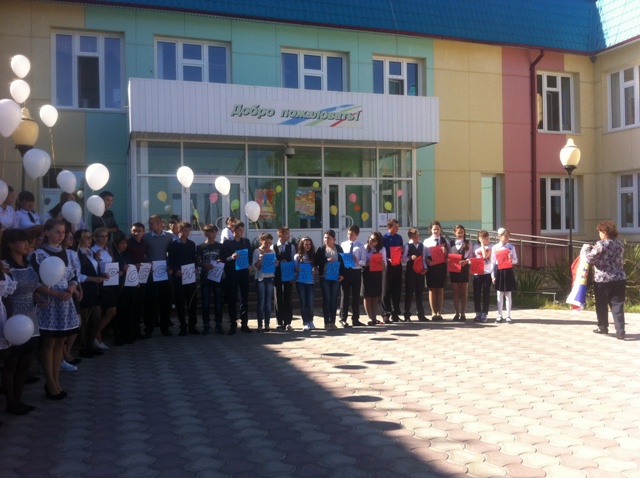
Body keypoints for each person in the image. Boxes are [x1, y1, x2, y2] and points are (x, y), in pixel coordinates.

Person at [30, 219, 80, 400]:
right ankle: (50, 382)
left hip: (64, 303)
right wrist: (55, 294)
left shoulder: (67, 253)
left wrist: (71, 289)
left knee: (60, 342)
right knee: (49, 342)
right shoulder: (38, 254)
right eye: (57, 232)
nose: (61, 235)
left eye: (63, 232)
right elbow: (35, 281)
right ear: (47, 232)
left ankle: (56, 380)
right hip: (49, 303)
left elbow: (72, 276)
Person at [1, 228, 47, 415]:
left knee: (26, 361)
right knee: (11, 363)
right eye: (23, 241)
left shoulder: (28, 263)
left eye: (28, 241)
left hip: (30, 317)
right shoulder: (5, 266)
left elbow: (32, 286)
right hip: (13, 318)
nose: (28, 244)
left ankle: (19, 399)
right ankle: (11, 402)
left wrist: (37, 296)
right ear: (11, 244)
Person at [582, 220, 626, 340]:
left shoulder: (601, 244)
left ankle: (602, 327)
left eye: (600, 232)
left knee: (601, 304)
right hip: (619, 278)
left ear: (605, 232)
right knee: (617, 304)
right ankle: (620, 331)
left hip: (603, 279)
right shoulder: (619, 244)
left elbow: (590, 259)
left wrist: (587, 249)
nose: (599, 234)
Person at [74, 229, 104, 357]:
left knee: (96, 317)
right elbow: (77, 275)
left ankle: (91, 344)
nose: (89, 240)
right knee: (85, 318)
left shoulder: (91, 252)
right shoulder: (76, 254)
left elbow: (95, 268)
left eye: (90, 237)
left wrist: (102, 275)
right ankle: (83, 347)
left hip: (95, 288)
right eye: (86, 237)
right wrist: (92, 279)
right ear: (78, 239)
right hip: (85, 288)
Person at [143, 214, 174, 337]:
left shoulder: (168, 237)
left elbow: (172, 253)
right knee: (149, 302)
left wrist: (170, 266)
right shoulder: (146, 237)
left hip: (164, 273)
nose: (149, 226)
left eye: (151, 223)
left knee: (165, 301)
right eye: (149, 223)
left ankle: (165, 327)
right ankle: (148, 328)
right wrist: (146, 264)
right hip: (150, 274)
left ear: (159, 223)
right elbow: (143, 253)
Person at [168, 221, 199, 335]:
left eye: (189, 230)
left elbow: (193, 258)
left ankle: (192, 326)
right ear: (179, 231)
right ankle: (183, 326)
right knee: (180, 303)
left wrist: (195, 267)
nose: (187, 232)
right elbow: (171, 261)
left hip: (190, 277)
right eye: (185, 230)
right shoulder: (173, 245)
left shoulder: (191, 244)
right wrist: (175, 270)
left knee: (192, 302)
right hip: (179, 278)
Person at [222, 221, 252, 334]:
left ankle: (244, 324)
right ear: (233, 230)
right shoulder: (228, 243)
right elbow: (223, 258)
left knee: (244, 298)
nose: (241, 232)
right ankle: (233, 325)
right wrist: (231, 257)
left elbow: (249, 255)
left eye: (243, 230)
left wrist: (249, 265)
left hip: (243, 273)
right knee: (232, 298)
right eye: (239, 230)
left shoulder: (246, 242)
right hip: (232, 273)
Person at [92, 226, 119, 348]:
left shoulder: (108, 249)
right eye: (101, 236)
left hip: (111, 282)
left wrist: (117, 271)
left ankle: (95, 335)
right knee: (103, 312)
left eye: (106, 236)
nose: (104, 239)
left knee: (111, 311)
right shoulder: (93, 250)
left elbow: (112, 264)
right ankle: (96, 337)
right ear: (95, 238)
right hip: (100, 283)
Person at [196, 224, 224, 335]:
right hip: (205, 276)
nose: (213, 234)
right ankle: (206, 324)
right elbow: (197, 261)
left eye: (214, 232)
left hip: (217, 275)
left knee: (218, 301)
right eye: (210, 232)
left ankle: (219, 324)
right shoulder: (201, 247)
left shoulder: (220, 246)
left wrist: (220, 261)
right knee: (205, 301)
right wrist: (204, 265)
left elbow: (224, 259)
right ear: (205, 233)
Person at [315, 229, 345, 331]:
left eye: (328, 238)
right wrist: (326, 260)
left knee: (333, 299)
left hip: (335, 277)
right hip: (324, 278)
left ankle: (333, 322)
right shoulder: (321, 249)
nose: (326, 240)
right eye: (325, 238)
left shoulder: (338, 248)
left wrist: (342, 275)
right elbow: (316, 261)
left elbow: (343, 262)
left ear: (334, 239)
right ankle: (326, 323)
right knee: (327, 299)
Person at [424, 220, 450, 321]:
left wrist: (445, 251)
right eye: (434, 229)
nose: (436, 231)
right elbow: (424, 256)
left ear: (440, 230)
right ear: (431, 230)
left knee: (440, 289)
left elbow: (448, 256)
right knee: (432, 289)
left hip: (441, 267)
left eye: (438, 229)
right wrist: (428, 262)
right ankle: (433, 312)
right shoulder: (427, 241)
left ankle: (439, 312)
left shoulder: (444, 241)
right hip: (431, 267)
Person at [340, 225, 365, 327]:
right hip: (346, 271)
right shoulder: (343, 244)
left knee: (356, 296)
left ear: (357, 235)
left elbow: (364, 261)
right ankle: (343, 318)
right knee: (344, 295)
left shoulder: (360, 246)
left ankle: (355, 319)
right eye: (348, 234)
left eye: (352, 234)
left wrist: (357, 261)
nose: (349, 236)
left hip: (356, 271)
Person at [491, 228, 518, 323]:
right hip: (499, 271)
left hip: (508, 271)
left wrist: (511, 259)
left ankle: (508, 316)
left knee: (508, 294)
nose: (507, 237)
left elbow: (516, 260)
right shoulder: (495, 247)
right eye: (504, 236)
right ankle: (499, 315)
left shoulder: (511, 247)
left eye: (508, 236)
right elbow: (493, 262)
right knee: (499, 294)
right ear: (499, 237)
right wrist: (493, 275)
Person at [402, 228, 428, 322]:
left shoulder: (422, 246)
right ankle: (407, 314)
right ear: (410, 237)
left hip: (420, 272)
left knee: (419, 293)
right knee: (409, 293)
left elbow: (423, 258)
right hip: (410, 272)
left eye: (417, 236)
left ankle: (421, 314)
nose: (417, 238)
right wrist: (409, 257)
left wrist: (425, 268)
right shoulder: (407, 246)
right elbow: (403, 259)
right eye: (415, 236)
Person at [127, 223, 147, 339]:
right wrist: (133, 265)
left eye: (139, 231)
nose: (136, 233)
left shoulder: (144, 243)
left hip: (142, 276)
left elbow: (143, 257)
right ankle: (129, 331)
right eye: (134, 230)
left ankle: (137, 330)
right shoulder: (128, 243)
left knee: (139, 305)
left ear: (143, 232)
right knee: (131, 305)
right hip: (130, 277)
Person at [361, 231, 386, 326]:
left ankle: (374, 317)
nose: (371, 241)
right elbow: (361, 261)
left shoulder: (382, 249)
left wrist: (382, 263)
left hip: (376, 273)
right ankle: (369, 317)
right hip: (367, 272)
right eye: (370, 239)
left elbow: (384, 263)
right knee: (367, 295)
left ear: (378, 242)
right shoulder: (364, 247)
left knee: (375, 296)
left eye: (374, 240)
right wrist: (367, 263)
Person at [253, 232, 276, 332]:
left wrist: (276, 264)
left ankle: (267, 324)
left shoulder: (272, 252)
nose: (268, 245)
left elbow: (273, 265)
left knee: (268, 302)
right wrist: (260, 259)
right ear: (261, 241)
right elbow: (254, 267)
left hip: (270, 277)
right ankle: (259, 325)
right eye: (266, 243)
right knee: (261, 301)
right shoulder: (256, 251)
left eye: (270, 243)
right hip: (260, 278)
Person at [381, 218, 403, 323]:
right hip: (387, 266)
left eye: (398, 227)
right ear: (389, 227)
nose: (397, 229)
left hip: (397, 265)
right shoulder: (384, 238)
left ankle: (395, 314)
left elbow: (401, 250)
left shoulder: (399, 238)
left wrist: (401, 252)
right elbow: (380, 252)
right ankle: (386, 313)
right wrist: (387, 259)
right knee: (386, 290)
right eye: (395, 227)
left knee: (396, 290)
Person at [449, 225, 472, 321]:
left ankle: (463, 313)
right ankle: (456, 313)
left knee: (464, 291)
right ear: (454, 233)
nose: (460, 234)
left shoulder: (468, 243)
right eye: (458, 232)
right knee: (455, 291)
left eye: (462, 232)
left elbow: (471, 256)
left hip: (464, 268)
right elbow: (448, 255)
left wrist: (466, 261)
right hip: (454, 269)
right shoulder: (450, 243)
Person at [274, 226, 295, 331]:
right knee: (278, 297)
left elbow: (293, 260)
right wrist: (277, 262)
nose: (289, 236)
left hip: (288, 274)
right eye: (287, 234)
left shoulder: (291, 246)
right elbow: (272, 260)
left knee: (288, 296)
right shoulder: (274, 247)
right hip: (277, 275)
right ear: (280, 234)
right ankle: (279, 322)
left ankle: (288, 322)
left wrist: (293, 275)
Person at [294, 236, 317, 331]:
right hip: (301, 282)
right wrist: (297, 269)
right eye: (306, 244)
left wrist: (314, 270)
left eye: (309, 244)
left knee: (310, 302)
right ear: (302, 245)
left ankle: (311, 320)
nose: (308, 246)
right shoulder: (297, 256)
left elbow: (316, 268)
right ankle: (305, 322)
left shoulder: (313, 256)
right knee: (303, 302)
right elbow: (295, 268)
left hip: (310, 282)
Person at [472, 230, 493, 323]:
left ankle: (484, 313)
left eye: (488, 238)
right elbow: (473, 258)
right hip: (477, 273)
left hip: (487, 272)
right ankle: (478, 313)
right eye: (484, 238)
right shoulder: (475, 247)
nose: (487, 239)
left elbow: (485, 256)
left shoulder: (491, 246)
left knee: (486, 294)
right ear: (480, 238)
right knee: (476, 294)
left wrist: (482, 244)